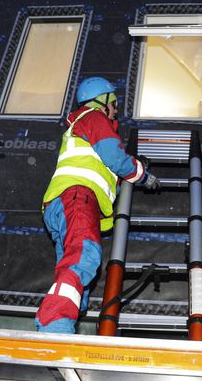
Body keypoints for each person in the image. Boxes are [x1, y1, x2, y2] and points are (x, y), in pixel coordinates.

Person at [35, 76, 161, 333]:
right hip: (77, 198)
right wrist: (142, 174)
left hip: (63, 204)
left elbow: (106, 169)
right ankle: (55, 325)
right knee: (85, 258)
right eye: (113, 103)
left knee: (71, 268)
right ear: (102, 101)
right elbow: (115, 158)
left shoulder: (82, 126)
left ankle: (66, 323)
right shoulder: (94, 118)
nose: (115, 110)